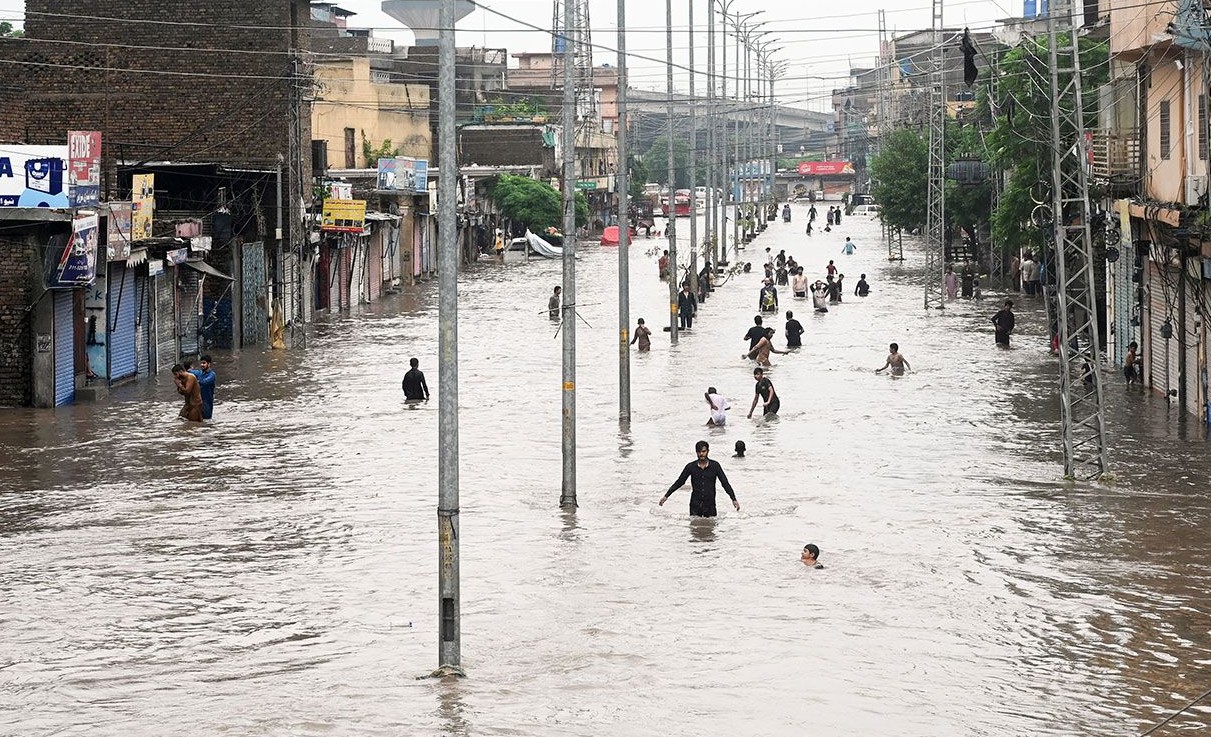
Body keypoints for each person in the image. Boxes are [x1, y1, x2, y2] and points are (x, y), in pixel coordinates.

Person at [659, 440, 740, 517]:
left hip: (710, 505)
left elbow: (725, 483)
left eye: (703, 451)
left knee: (710, 528)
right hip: (695, 505)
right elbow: (680, 482)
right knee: (695, 528)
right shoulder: (690, 467)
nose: (701, 454)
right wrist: (666, 496)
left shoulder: (715, 466)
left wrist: (733, 499)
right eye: (699, 452)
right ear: (696, 452)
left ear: (708, 451)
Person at [189, 354, 217, 420]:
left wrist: (194, 381)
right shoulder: (199, 373)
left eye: (204, 363)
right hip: (198, 401)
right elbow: (188, 372)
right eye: (201, 363)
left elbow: (204, 382)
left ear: (209, 364)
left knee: (207, 420)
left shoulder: (212, 375)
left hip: (207, 401)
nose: (202, 365)